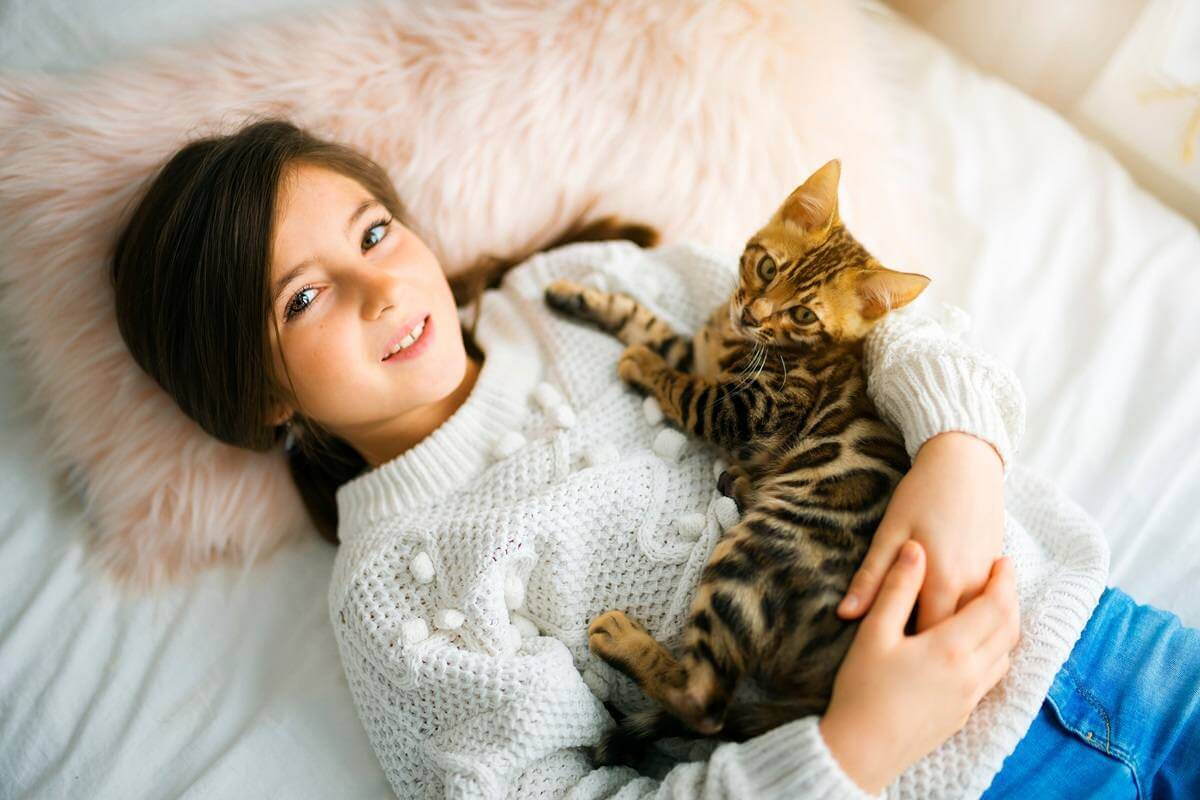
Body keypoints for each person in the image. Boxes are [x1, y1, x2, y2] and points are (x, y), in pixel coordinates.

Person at [108, 118, 1199, 799]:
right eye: (305, 297)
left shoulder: (582, 288)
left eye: (375, 231)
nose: (379, 288)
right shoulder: (400, 592)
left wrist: (958, 450)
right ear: (261, 397)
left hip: (1098, 639)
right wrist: (853, 750)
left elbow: (884, 320)